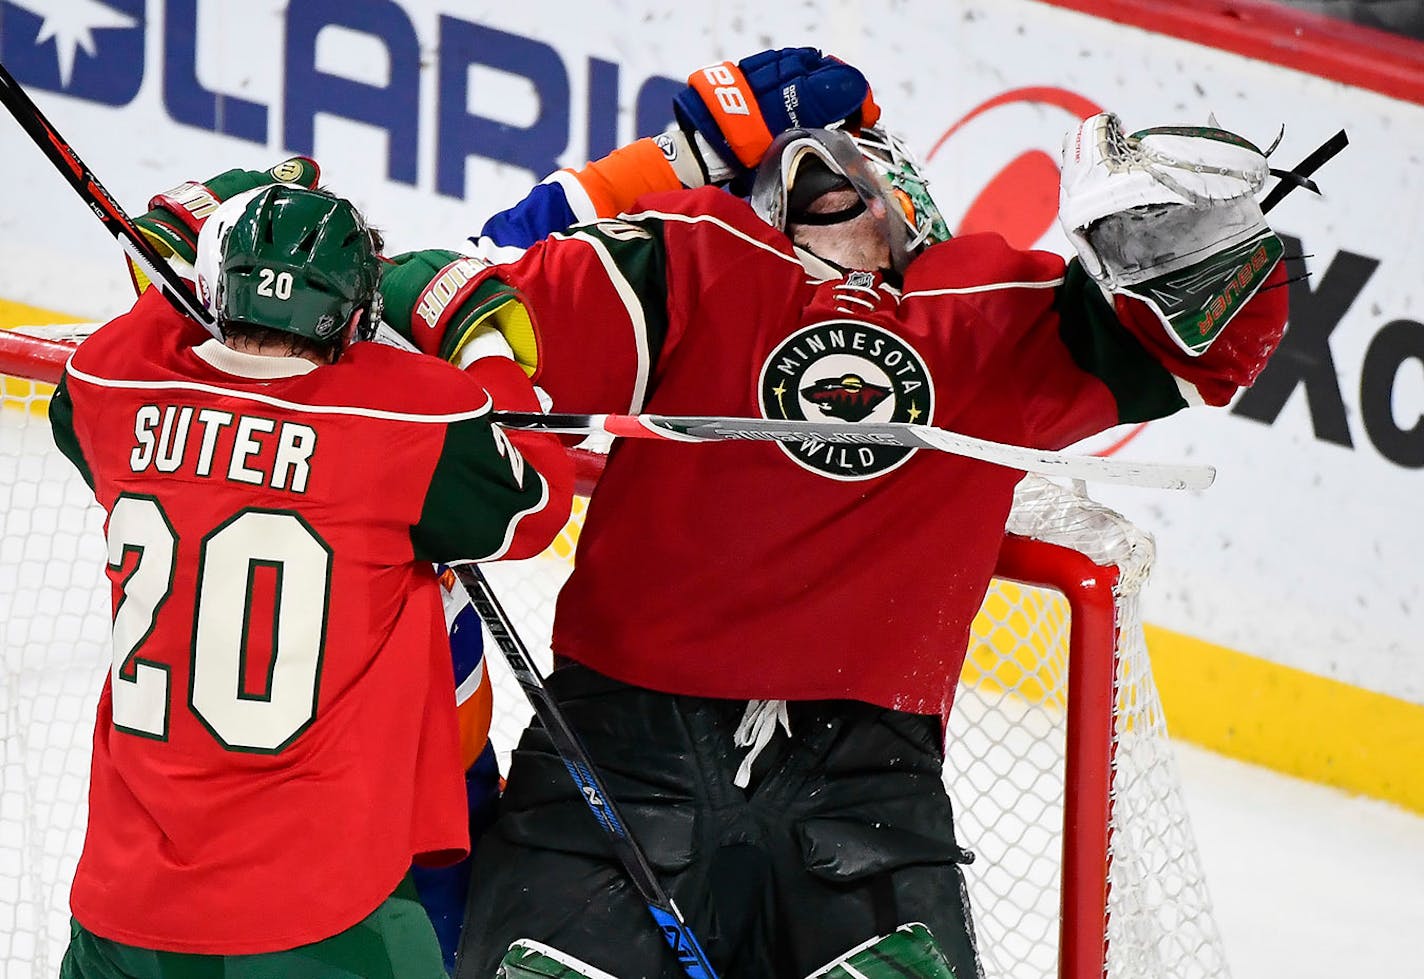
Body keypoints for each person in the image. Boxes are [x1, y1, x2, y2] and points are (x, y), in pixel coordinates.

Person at [374, 47, 1293, 979]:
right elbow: (441, 307)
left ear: (913, 203)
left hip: (863, 791)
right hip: (613, 761)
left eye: (856, 154)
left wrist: (1174, 225)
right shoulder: (694, 259)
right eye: (787, 166)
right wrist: (672, 159)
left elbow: (1213, 341)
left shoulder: (994, 317)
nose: (818, 162)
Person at [49, 183, 572, 978]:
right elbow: (535, 501)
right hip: (321, 915)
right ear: (358, 319)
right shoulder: (406, 419)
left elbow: (116, 356)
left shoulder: (115, 388)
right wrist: (481, 341)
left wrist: (195, 216)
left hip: (125, 912)